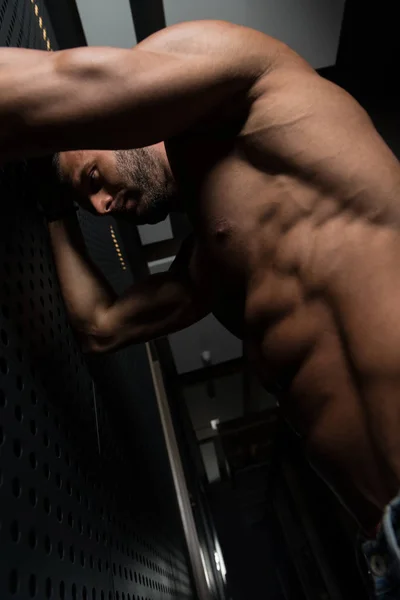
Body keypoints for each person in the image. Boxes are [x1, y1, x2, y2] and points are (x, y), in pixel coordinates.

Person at [1, 19, 399, 597]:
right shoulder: (213, 266)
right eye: (91, 205)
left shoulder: (253, 80)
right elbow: (101, 327)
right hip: (382, 550)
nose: (104, 204)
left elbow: (67, 79)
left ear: (118, 122)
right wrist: (55, 212)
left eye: (93, 178)